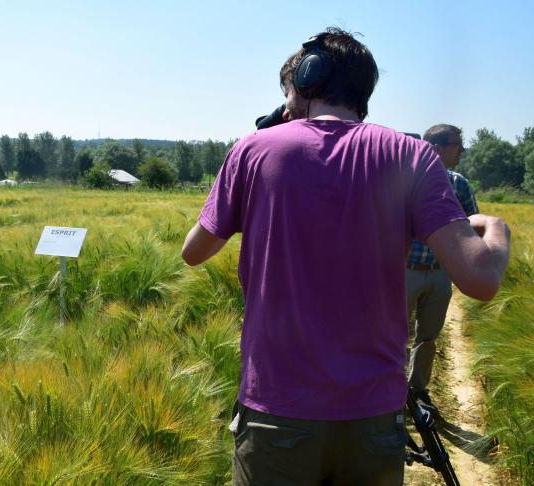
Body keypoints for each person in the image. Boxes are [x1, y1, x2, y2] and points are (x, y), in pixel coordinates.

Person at [181, 28, 510, 485]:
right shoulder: (412, 155)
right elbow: (481, 278)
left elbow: (193, 252)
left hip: (277, 410)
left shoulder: (252, 150)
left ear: (307, 81)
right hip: (372, 415)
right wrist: (497, 229)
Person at [407, 124, 478, 412]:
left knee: (428, 337)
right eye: (457, 145)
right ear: (436, 148)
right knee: (391, 334)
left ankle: (417, 391)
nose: (462, 150)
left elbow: (472, 223)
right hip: (404, 270)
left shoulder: (459, 183)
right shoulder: (404, 180)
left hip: (439, 273)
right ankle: (387, 393)